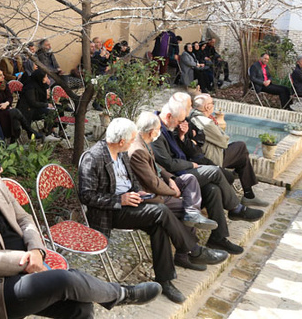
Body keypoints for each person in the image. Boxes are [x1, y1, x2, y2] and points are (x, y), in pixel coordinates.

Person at [0, 141, 162, 319]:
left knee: (80, 307)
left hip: (27, 266)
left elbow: (25, 219)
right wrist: (25, 259)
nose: (1, 170)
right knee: (65, 280)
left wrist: (36, 249)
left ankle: (117, 294)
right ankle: (122, 294)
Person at [78, 119, 227, 303]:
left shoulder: (121, 152)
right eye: (132, 139)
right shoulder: (93, 157)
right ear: (121, 141)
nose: (134, 142)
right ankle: (193, 250)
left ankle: (164, 281)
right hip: (110, 212)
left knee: (160, 226)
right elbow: (86, 196)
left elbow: (130, 180)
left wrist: (136, 191)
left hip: (131, 203)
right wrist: (120, 199)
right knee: (161, 212)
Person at [152, 100, 263, 255]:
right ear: (169, 116)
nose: (181, 124)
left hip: (186, 169)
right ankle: (235, 208)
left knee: (213, 189)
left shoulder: (171, 125)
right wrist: (191, 165)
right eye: (179, 121)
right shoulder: (156, 130)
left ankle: (218, 238)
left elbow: (190, 146)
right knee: (215, 171)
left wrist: (183, 136)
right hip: (177, 177)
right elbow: (168, 163)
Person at [129, 111, 218, 235]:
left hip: (163, 181)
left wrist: (170, 179)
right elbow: (153, 183)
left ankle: (192, 213)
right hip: (152, 193)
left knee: (189, 179)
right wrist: (172, 192)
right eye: (158, 129)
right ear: (151, 132)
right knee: (184, 208)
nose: (159, 133)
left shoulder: (144, 142)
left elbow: (156, 165)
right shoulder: (138, 150)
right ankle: (191, 248)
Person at [190, 94, 268, 207]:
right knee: (241, 147)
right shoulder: (205, 122)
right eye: (212, 104)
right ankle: (247, 192)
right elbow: (223, 141)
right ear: (207, 107)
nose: (213, 106)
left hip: (210, 154)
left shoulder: (197, 116)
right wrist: (217, 127)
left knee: (242, 157)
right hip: (212, 158)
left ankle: (248, 194)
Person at [0, 67, 36, 139]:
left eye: (3, 75)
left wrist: (7, 103)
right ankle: (29, 131)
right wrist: (5, 104)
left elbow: (10, 97)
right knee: (15, 112)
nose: (3, 77)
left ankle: (21, 136)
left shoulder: (4, 84)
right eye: (0, 75)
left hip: (6, 107)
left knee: (15, 121)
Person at [15, 69, 56, 138]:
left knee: (55, 110)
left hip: (36, 108)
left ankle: (49, 131)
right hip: (28, 110)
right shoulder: (30, 87)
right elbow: (33, 103)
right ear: (40, 77)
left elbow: (44, 98)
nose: (47, 79)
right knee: (50, 112)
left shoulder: (40, 84)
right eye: (45, 77)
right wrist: (46, 105)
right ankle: (47, 133)